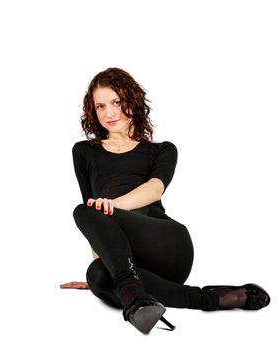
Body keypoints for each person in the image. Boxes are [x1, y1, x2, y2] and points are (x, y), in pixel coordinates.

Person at [59, 67, 270, 334]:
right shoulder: (84, 152)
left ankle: (128, 287)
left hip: (167, 245)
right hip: (134, 263)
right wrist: (108, 266)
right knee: (97, 274)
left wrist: (113, 206)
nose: (108, 113)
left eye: (116, 102)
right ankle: (190, 298)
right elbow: (93, 217)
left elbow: (154, 189)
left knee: (85, 212)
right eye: (100, 106)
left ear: (132, 100)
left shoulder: (162, 150)